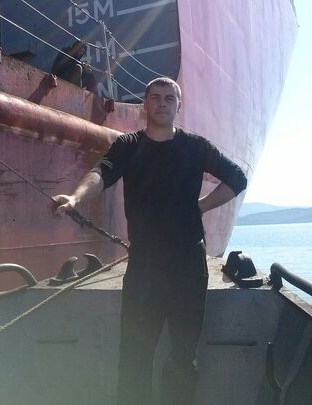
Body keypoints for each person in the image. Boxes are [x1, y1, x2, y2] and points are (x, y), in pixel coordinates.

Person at [52, 77, 247, 405]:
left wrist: (201, 206)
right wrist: (75, 198)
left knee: (183, 356)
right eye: (155, 97)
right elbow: (101, 173)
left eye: (169, 98)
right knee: (134, 355)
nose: (161, 103)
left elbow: (237, 178)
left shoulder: (196, 147)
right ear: (145, 104)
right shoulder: (128, 145)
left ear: (178, 105)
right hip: (145, 267)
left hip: (188, 267)